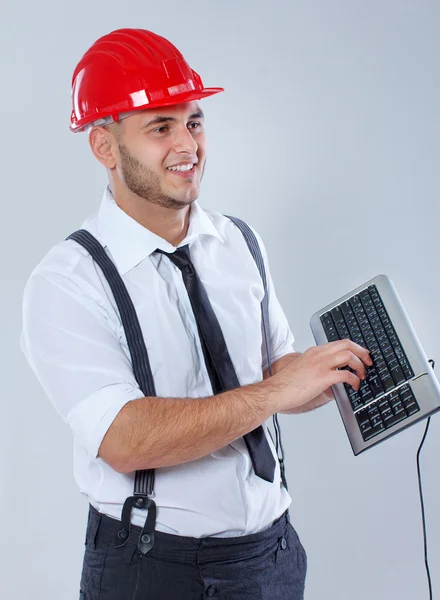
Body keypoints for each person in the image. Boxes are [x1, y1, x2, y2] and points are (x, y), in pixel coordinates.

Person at [20, 28, 372, 600]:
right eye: (160, 127)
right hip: (155, 571)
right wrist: (277, 393)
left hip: (273, 555)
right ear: (104, 147)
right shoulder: (68, 282)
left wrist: (328, 374)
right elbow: (124, 438)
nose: (188, 145)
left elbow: (277, 372)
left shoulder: (239, 241)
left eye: (195, 122)